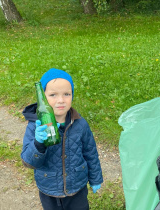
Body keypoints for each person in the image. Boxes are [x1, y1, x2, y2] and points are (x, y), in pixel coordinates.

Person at [21, 68, 103, 210]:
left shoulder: (80, 124)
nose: (61, 100)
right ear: (42, 98)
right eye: (53, 95)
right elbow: (29, 162)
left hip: (77, 187)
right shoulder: (35, 126)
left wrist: (96, 178)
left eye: (66, 94)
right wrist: (38, 144)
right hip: (49, 189)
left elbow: (90, 153)